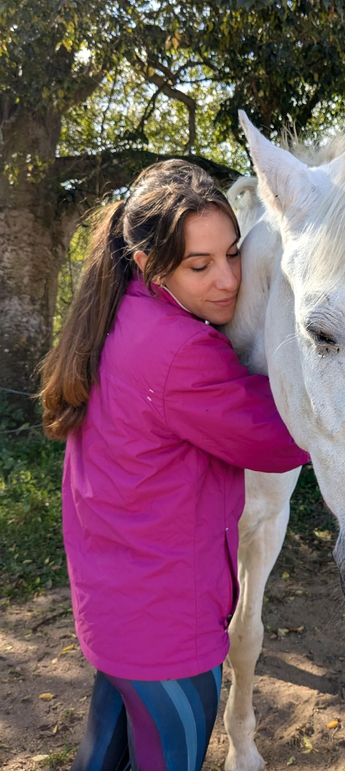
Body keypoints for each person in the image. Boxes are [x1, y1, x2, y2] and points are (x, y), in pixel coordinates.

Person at [40, 160, 309, 771]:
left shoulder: (120, 315)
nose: (227, 280)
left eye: (232, 255)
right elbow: (279, 438)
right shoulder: (182, 352)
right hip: (169, 632)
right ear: (151, 265)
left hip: (117, 614)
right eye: (199, 265)